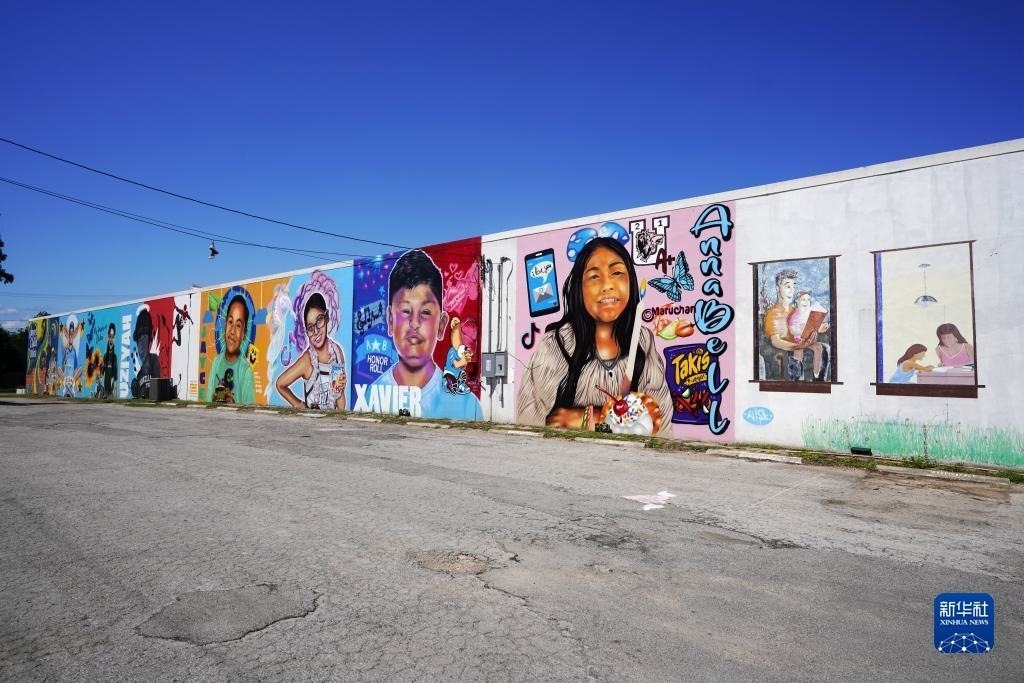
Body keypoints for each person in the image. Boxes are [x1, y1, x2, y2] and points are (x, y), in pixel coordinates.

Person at [517, 236, 672, 434]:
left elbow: (660, 421)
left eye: (617, 272)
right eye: (594, 276)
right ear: (579, 288)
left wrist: (591, 418)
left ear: (630, 281)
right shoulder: (555, 344)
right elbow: (530, 422)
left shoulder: (643, 340)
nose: (607, 285)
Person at [366, 249, 482, 419]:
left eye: (426, 312)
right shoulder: (370, 396)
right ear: (390, 320)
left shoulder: (468, 406)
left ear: (441, 325)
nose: (414, 323)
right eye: (406, 311)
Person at [275, 273, 347, 409]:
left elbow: (339, 396)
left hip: (332, 420)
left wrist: (341, 415)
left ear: (326, 317)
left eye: (319, 320)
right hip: (311, 421)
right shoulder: (307, 360)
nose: (316, 331)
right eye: (310, 327)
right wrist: (299, 405)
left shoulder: (337, 352)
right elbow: (280, 384)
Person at [763, 271, 829, 381]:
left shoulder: (796, 310)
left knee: (824, 347)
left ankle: (818, 379)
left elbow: (806, 324)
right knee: (798, 355)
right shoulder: (773, 313)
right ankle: (798, 380)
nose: (792, 290)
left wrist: (819, 327)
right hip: (793, 346)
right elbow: (776, 341)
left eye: (793, 286)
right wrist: (797, 346)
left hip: (803, 341)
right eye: (787, 286)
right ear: (778, 288)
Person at [205, 293, 256, 404]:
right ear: (225, 325)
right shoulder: (216, 362)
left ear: (244, 334)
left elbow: (249, 411)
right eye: (230, 322)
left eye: (238, 325)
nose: (232, 331)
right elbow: (208, 401)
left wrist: (233, 404)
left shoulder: (245, 370)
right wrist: (213, 402)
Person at [442, 316, 472, 394]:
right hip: (450, 371)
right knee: (451, 378)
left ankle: (460, 385)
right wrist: (463, 361)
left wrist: (465, 360)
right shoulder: (452, 352)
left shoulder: (463, 352)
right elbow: (456, 364)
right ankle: (447, 384)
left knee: (463, 374)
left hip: (459, 373)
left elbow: (464, 365)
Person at [102, 322, 118, 398]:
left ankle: (109, 394)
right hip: (106, 375)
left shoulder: (114, 356)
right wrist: (102, 372)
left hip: (111, 374)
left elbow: (115, 369)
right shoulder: (105, 355)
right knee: (106, 382)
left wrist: (115, 379)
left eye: (112, 336)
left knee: (111, 388)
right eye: (109, 336)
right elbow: (103, 367)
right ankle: (106, 393)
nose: (111, 339)